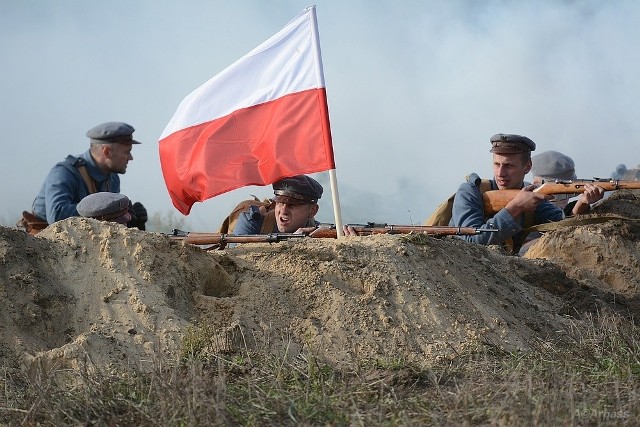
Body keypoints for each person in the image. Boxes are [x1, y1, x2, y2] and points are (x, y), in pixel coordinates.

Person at [450, 133, 566, 254]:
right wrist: (515, 208)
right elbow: (471, 241)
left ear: (527, 167)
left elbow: (561, 223)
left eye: (508, 166)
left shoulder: (529, 193)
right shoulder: (471, 191)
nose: (500, 173)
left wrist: (582, 204)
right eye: (497, 164)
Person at [26, 122, 147, 232]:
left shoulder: (113, 178)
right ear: (107, 152)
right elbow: (56, 215)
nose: (131, 157)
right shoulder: (65, 172)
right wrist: (109, 211)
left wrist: (128, 216)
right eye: (127, 151)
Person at [234, 175, 324, 235]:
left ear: (312, 211)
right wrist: (293, 242)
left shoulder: (320, 232)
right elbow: (236, 259)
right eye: (280, 202)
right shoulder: (253, 222)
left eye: (292, 204)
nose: (283, 211)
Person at [531, 150, 604, 216]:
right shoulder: (526, 209)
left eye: (569, 189)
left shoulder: (563, 210)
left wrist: (582, 203)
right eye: (559, 189)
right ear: (537, 184)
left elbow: (562, 218)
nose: (566, 195)